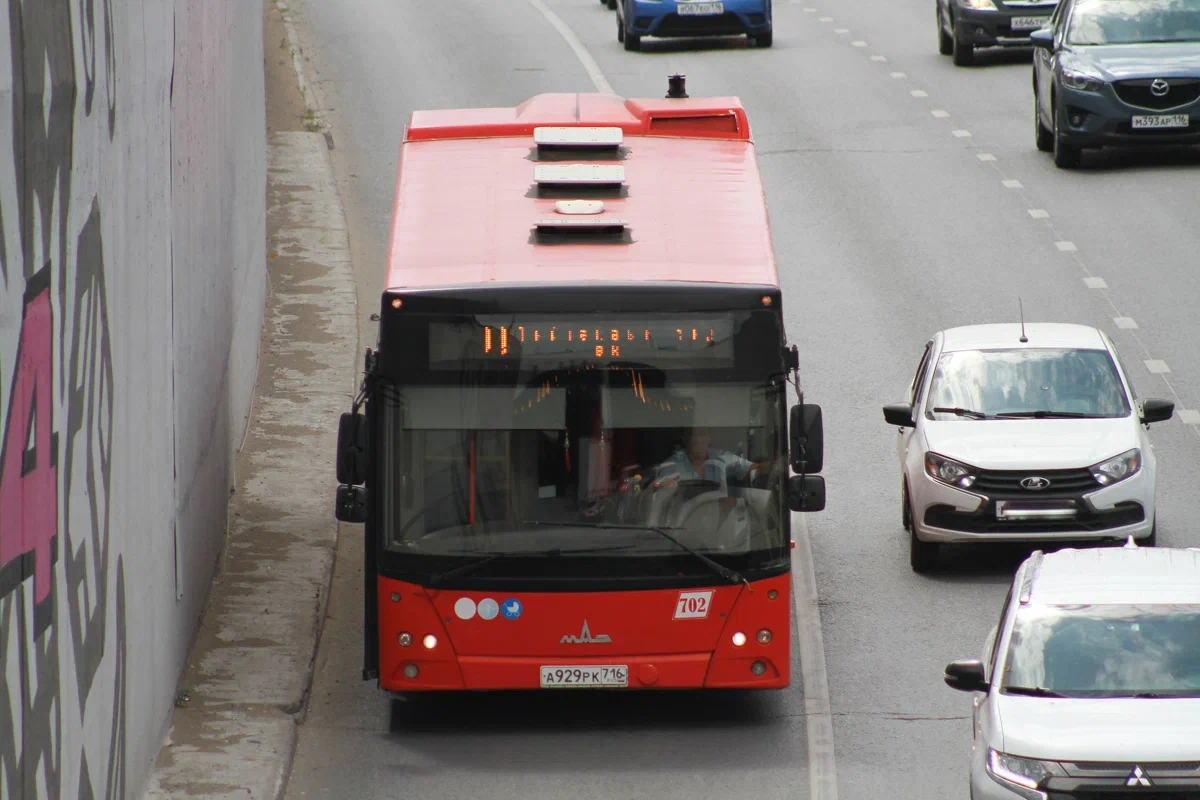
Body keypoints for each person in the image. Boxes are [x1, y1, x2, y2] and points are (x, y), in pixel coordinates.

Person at [653, 426, 769, 490]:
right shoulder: (673, 464)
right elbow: (656, 488)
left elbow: (754, 467)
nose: (697, 440)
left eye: (701, 434)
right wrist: (664, 487)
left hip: (717, 518)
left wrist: (775, 467)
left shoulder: (722, 457)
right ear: (684, 439)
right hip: (684, 521)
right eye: (692, 435)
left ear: (708, 438)